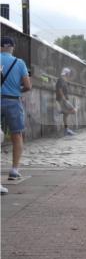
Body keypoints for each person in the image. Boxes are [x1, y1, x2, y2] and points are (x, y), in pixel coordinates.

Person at [1, 35, 31, 184]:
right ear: (12, 47)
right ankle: (14, 170)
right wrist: (16, 88)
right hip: (13, 101)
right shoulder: (19, 63)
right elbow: (28, 86)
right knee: (17, 135)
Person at [56, 67, 77, 136]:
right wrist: (64, 98)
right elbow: (60, 89)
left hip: (64, 99)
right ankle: (61, 111)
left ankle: (66, 130)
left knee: (66, 115)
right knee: (74, 111)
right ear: (66, 73)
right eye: (69, 73)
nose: (69, 75)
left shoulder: (64, 80)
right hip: (63, 99)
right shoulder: (61, 79)